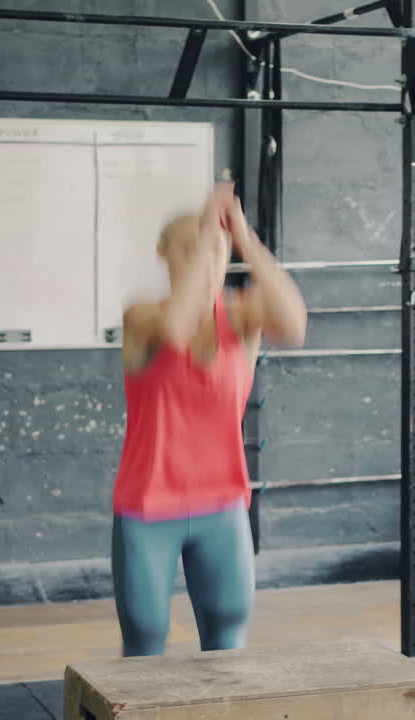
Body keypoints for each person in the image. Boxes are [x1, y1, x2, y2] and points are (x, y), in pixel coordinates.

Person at [111, 183, 307, 656]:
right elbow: (178, 330)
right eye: (190, 247)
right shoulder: (142, 317)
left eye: (217, 249)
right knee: (145, 638)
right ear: (165, 254)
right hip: (148, 507)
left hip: (222, 504)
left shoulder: (241, 318)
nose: (206, 257)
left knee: (226, 637)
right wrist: (207, 232)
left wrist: (242, 236)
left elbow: (295, 327)